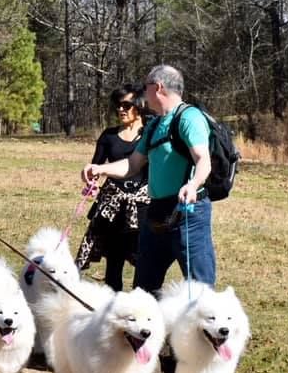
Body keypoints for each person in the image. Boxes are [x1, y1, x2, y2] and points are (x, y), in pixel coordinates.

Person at [82, 65, 214, 293]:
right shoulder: (154, 125)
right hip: (156, 214)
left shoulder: (189, 118)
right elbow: (132, 165)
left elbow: (203, 159)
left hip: (188, 214)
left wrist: (193, 185)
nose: (143, 93)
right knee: (144, 290)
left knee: (199, 289)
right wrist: (100, 169)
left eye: (146, 87)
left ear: (158, 87)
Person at [74, 84, 151, 291]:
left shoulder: (150, 135)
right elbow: (96, 167)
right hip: (113, 208)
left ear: (140, 105)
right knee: (113, 266)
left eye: (127, 104)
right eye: (118, 105)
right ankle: (111, 312)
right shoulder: (108, 136)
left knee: (144, 265)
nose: (121, 109)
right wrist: (89, 177)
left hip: (142, 208)